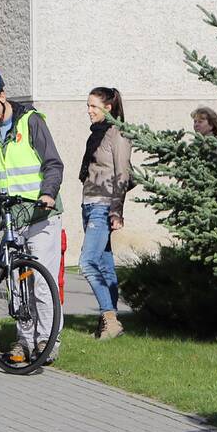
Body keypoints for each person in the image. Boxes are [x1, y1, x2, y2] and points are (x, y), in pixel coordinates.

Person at [0, 68, 65, 363]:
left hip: (41, 214)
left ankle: (47, 340)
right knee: (17, 283)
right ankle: (24, 341)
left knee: (41, 282)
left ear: (3, 96)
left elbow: (53, 163)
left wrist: (48, 192)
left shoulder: (30, 122)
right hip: (11, 216)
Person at [80, 87, 132, 340]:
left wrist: (116, 211)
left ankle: (110, 320)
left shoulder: (117, 133)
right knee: (104, 264)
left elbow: (123, 174)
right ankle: (108, 324)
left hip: (103, 205)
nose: (89, 111)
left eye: (93, 106)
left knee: (87, 262)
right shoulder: (96, 134)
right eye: (87, 106)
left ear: (108, 108)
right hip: (89, 203)